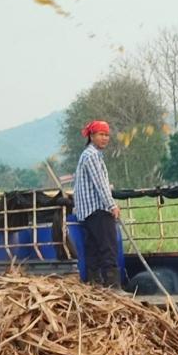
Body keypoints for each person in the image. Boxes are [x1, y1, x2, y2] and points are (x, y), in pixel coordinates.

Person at [73, 119, 121, 287]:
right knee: (108, 248)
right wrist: (112, 205)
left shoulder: (87, 155)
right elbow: (100, 184)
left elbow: (96, 182)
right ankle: (113, 286)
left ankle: (96, 284)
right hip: (97, 209)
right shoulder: (92, 155)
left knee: (93, 249)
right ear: (92, 136)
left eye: (107, 135)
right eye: (101, 134)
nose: (105, 138)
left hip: (87, 211)